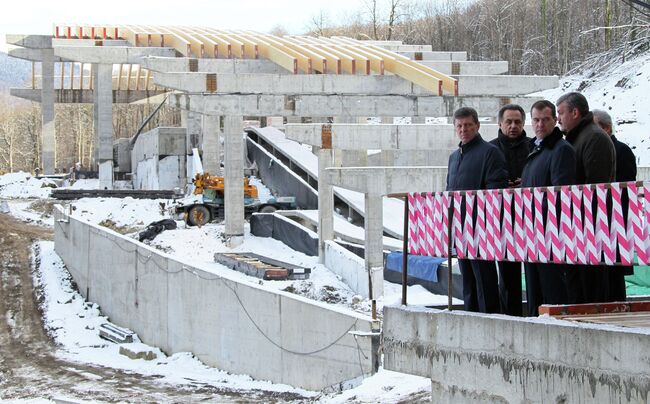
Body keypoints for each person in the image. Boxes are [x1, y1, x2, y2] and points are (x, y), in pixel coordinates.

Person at [447, 107, 508, 313]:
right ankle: (470, 318)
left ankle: (490, 320)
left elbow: (495, 191)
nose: (464, 129)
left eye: (468, 125)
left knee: (485, 283)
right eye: (460, 126)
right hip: (460, 228)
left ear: (477, 126)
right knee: (468, 283)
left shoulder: (490, 153)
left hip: (481, 229)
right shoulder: (454, 158)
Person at [556, 92, 616, 303]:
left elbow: (594, 186)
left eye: (561, 113)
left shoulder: (594, 138)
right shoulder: (579, 138)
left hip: (590, 227)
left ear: (575, 112)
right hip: (578, 226)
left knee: (590, 287)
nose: (558, 119)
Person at [521, 100, 576, 316]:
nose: (540, 124)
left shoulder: (560, 150)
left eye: (545, 119)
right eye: (536, 120)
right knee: (535, 290)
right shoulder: (536, 148)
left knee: (552, 291)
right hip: (532, 231)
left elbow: (559, 194)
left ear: (555, 120)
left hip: (549, 233)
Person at [490, 104, 531, 316]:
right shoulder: (490, 150)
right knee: (507, 277)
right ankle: (510, 317)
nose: (513, 126)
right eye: (509, 121)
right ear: (500, 123)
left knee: (534, 273)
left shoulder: (535, 147)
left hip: (533, 220)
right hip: (502, 220)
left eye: (517, 122)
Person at [593, 109, 637, 301]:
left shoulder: (621, 151)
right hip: (605, 223)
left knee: (614, 278)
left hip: (616, 223)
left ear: (606, 128)